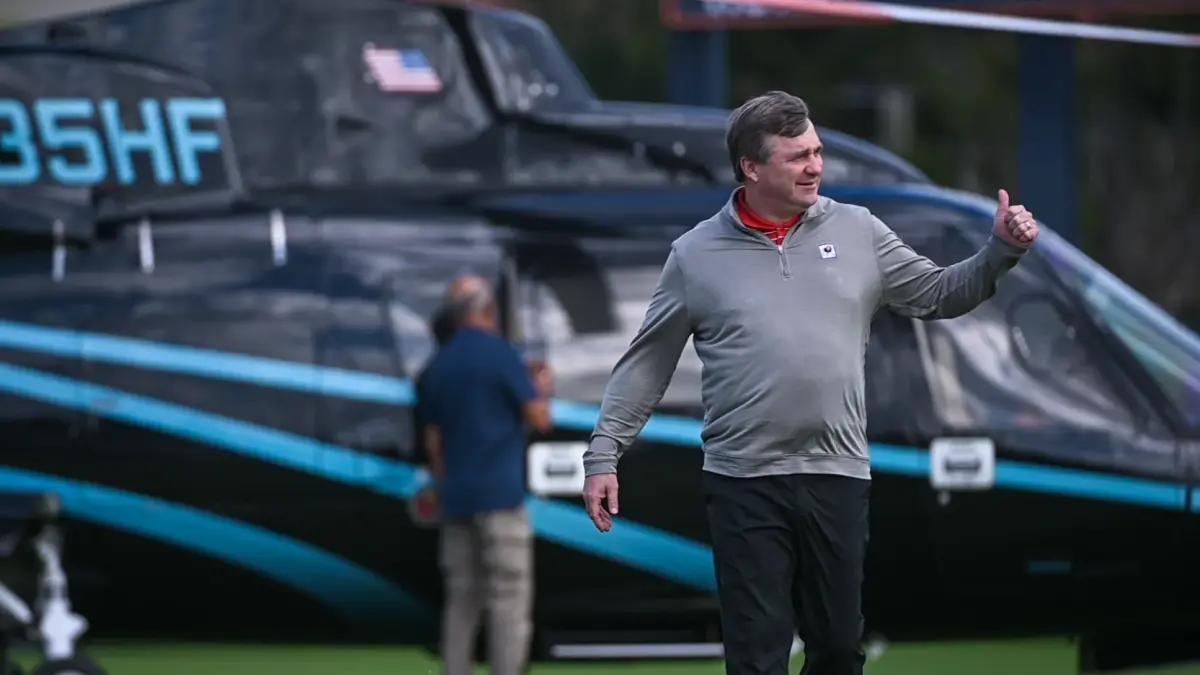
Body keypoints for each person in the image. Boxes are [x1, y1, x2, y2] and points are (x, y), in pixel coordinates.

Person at [580, 91, 1038, 675]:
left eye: (817, 152)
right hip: (743, 481)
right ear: (752, 167)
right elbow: (647, 364)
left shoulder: (858, 231)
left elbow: (938, 294)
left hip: (836, 474)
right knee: (757, 657)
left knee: (839, 650)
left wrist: (1001, 250)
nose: (816, 166)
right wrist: (604, 455)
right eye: (797, 156)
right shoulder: (695, 255)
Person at [417, 274, 552, 675]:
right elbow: (539, 418)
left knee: (462, 602)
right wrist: (541, 387)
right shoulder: (501, 355)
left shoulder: (437, 366)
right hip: (502, 500)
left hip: (456, 499)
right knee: (508, 601)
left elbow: (434, 444)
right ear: (487, 310)